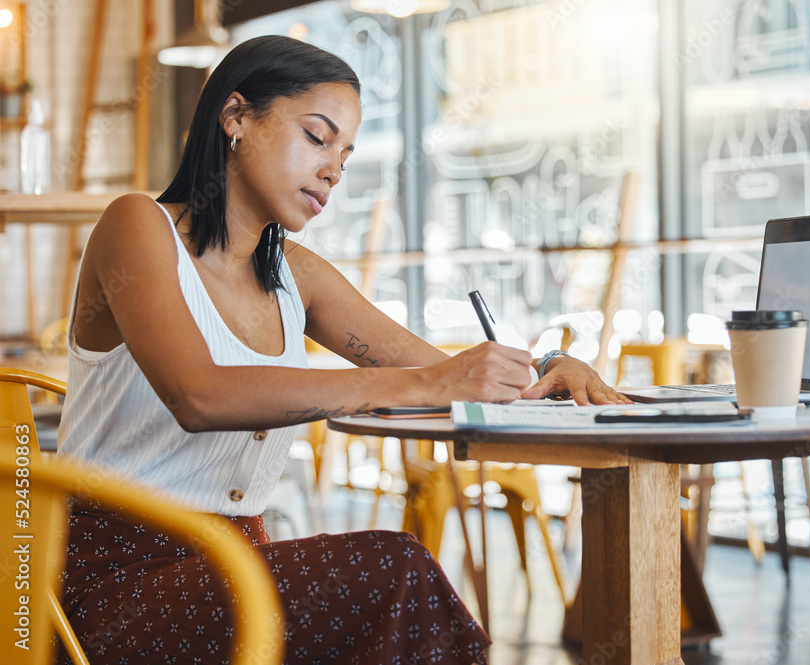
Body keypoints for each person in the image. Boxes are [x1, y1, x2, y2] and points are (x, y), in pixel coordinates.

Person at [55, 34, 629, 665]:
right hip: (114, 584)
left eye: (346, 155)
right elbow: (200, 394)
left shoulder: (296, 275)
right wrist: (419, 386)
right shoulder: (137, 226)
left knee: (394, 581)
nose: (333, 169)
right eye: (317, 137)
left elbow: (440, 372)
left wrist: (546, 371)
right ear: (236, 117)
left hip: (234, 569)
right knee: (395, 567)